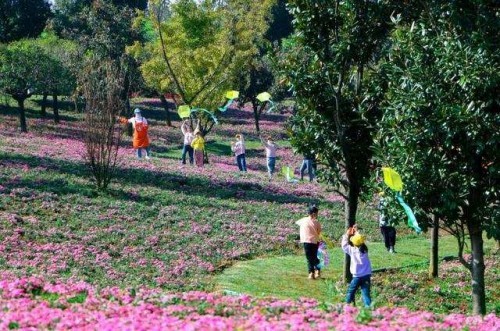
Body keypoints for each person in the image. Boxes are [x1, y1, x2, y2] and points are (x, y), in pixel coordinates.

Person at [341, 227, 372, 307]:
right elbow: (360, 239)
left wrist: (347, 234)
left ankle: (348, 306)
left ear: (354, 244)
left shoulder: (352, 250)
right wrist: (356, 231)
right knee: (366, 293)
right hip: (366, 275)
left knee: (351, 291)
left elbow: (344, 245)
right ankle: (368, 308)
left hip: (357, 276)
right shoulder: (365, 250)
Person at [295, 204, 322, 279]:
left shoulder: (307, 221)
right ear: (313, 214)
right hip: (310, 241)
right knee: (312, 257)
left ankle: (312, 272)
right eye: (316, 213)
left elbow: (297, 222)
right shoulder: (314, 222)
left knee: (311, 257)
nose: (317, 215)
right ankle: (314, 272)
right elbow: (319, 231)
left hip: (311, 241)